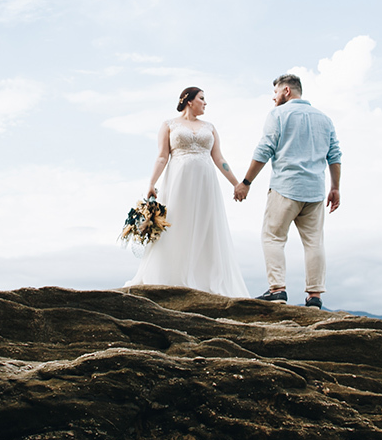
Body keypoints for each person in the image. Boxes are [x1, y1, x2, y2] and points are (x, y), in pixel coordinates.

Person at [125, 87, 250, 298]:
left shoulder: (210, 127)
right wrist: (151, 183)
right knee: (177, 223)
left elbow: (219, 159)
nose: (205, 103)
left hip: (205, 182)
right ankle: (172, 276)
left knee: (205, 224)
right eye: (202, 99)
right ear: (189, 101)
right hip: (178, 181)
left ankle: (203, 278)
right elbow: (162, 157)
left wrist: (237, 184)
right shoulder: (169, 125)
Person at [234, 74, 341, 308]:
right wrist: (335, 188)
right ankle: (314, 297)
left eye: (275, 93)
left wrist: (246, 182)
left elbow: (264, 149)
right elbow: (335, 155)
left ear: (286, 91)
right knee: (314, 242)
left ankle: (278, 290)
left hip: (286, 187)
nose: (273, 99)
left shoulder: (278, 115)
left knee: (272, 237)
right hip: (315, 191)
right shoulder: (325, 119)